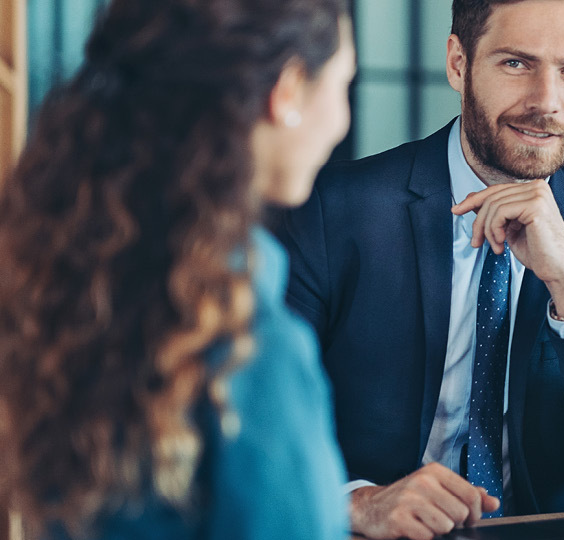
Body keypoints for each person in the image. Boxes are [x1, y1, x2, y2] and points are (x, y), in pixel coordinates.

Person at [273, 0, 564, 537]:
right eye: (516, 64)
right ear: (459, 62)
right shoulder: (329, 211)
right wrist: (358, 502)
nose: (545, 103)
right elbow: (250, 420)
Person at [0, 0, 357, 539]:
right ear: (286, 92)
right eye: (341, 87)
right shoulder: (251, 348)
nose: (341, 121)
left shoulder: (75, 291)